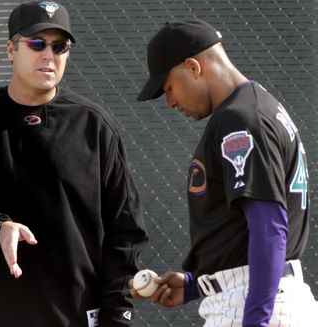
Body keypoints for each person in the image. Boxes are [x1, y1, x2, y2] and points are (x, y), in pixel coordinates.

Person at [0, 0, 148, 327]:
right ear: (11, 49)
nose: (49, 55)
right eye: (36, 43)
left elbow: (125, 228)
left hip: (72, 316)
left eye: (60, 46)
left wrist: (117, 315)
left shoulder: (94, 125)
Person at [131, 19, 317, 326]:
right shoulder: (258, 107)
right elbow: (243, 234)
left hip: (255, 306)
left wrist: (255, 321)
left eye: (168, 87)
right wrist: (196, 284)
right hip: (266, 299)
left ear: (193, 67)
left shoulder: (240, 118)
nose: (170, 101)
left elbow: (269, 229)